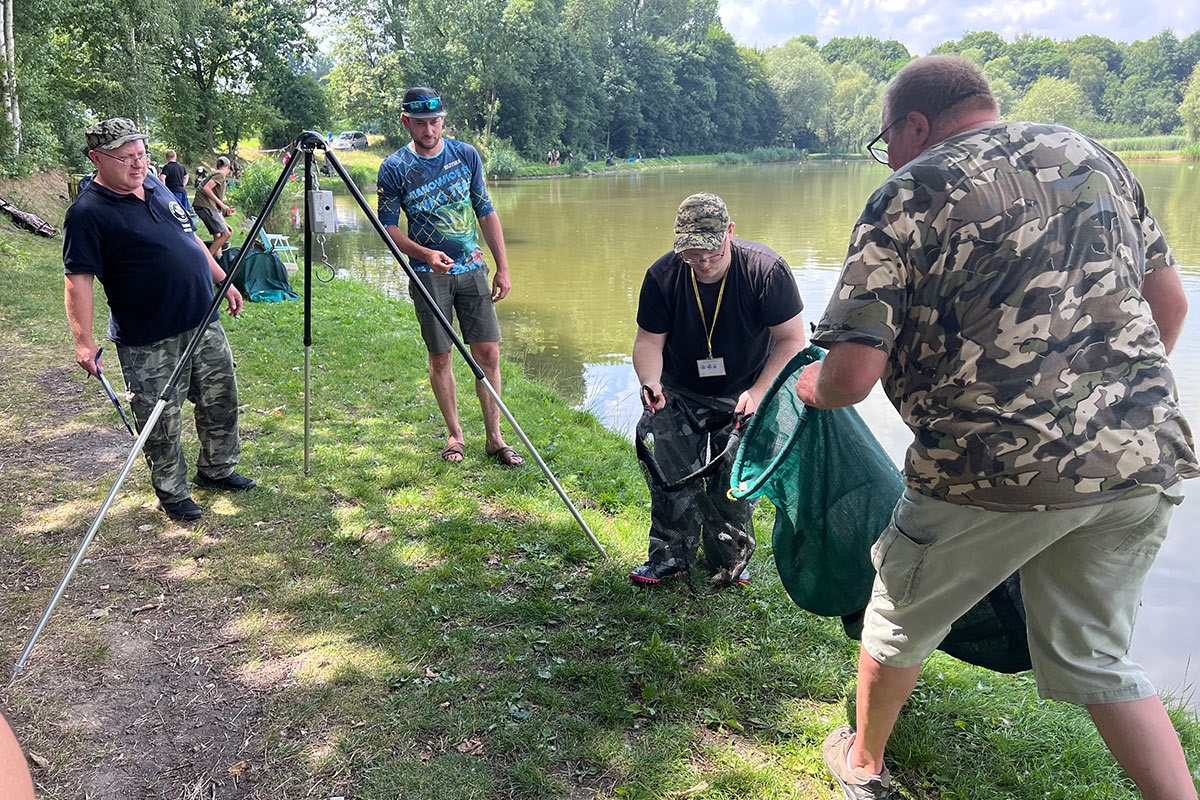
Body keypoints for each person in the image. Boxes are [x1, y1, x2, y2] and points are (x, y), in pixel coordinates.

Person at [794, 56, 1199, 800]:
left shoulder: (908, 192)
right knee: (1101, 659)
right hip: (1141, 460)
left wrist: (810, 389)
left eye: (885, 139)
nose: (887, 154)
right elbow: (1169, 307)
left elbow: (850, 376)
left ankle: (862, 764)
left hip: (985, 471)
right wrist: (1098, 414)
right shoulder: (1093, 156)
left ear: (914, 125)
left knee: (897, 614)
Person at [64, 117, 255, 523]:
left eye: (142, 154)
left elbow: (188, 239)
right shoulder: (87, 213)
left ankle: (217, 469)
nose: (138, 164)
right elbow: (77, 280)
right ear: (97, 158)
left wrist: (223, 280)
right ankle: (173, 492)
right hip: (147, 335)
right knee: (160, 418)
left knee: (220, 398)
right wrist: (83, 342)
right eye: (126, 157)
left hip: (202, 318)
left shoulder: (154, 183)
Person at [629, 192, 807, 585]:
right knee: (671, 477)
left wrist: (760, 391)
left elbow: (794, 341)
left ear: (731, 232)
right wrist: (650, 381)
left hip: (749, 389)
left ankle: (730, 559)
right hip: (678, 390)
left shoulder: (766, 270)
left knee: (735, 484)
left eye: (711, 251)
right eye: (692, 255)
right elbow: (648, 342)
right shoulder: (663, 276)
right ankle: (669, 558)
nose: (703, 262)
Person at [377, 86, 524, 467]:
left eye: (435, 122)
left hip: (473, 269)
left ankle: (495, 438)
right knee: (441, 356)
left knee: (488, 353)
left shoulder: (465, 155)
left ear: (444, 120)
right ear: (406, 122)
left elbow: (486, 211)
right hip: (428, 276)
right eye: (421, 124)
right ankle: (456, 436)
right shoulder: (394, 168)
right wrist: (426, 254)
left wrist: (503, 266)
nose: (429, 131)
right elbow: (389, 229)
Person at [192, 155, 235, 258]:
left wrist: (225, 223)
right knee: (226, 234)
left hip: (205, 206)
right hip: (205, 205)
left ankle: (218, 259)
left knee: (218, 235)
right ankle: (207, 261)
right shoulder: (220, 175)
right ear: (228, 166)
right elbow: (206, 188)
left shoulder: (215, 173)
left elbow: (216, 210)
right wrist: (222, 205)